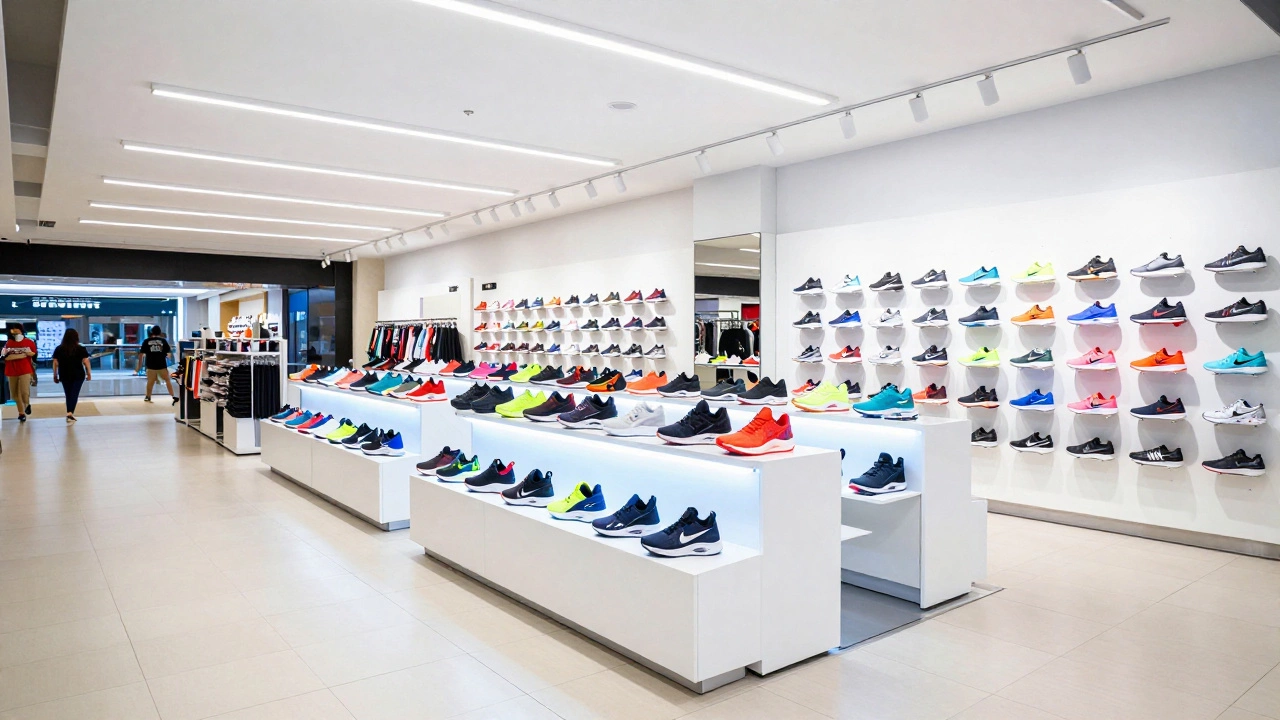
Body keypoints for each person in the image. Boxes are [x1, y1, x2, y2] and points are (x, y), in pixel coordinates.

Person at [52, 328, 91, 422]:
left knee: (68, 393)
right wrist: (89, 373)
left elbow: (55, 362)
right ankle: (70, 412)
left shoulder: (59, 348)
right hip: (78, 374)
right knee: (74, 393)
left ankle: (69, 411)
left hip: (64, 374)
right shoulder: (80, 348)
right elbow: (86, 361)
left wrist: (55, 375)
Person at [3, 324, 37, 422]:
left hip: (25, 370)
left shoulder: (29, 342)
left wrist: (16, 355)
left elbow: (33, 353)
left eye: (16, 329)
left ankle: (26, 406)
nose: (14, 331)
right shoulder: (9, 343)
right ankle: (21, 412)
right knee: (14, 394)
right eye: (13, 329)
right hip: (11, 370)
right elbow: (4, 356)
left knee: (24, 391)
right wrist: (22, 355)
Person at [137, 326, 176, 404]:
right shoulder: (163, 341)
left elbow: (141, 354)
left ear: (152, 332)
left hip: (150, 365)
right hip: (161, 365)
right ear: (160, 332)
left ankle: (148, 396)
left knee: (150, 382)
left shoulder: (146, 341)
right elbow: (169, 354)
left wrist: (139, 366)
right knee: (167, 380)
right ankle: (173, 396)